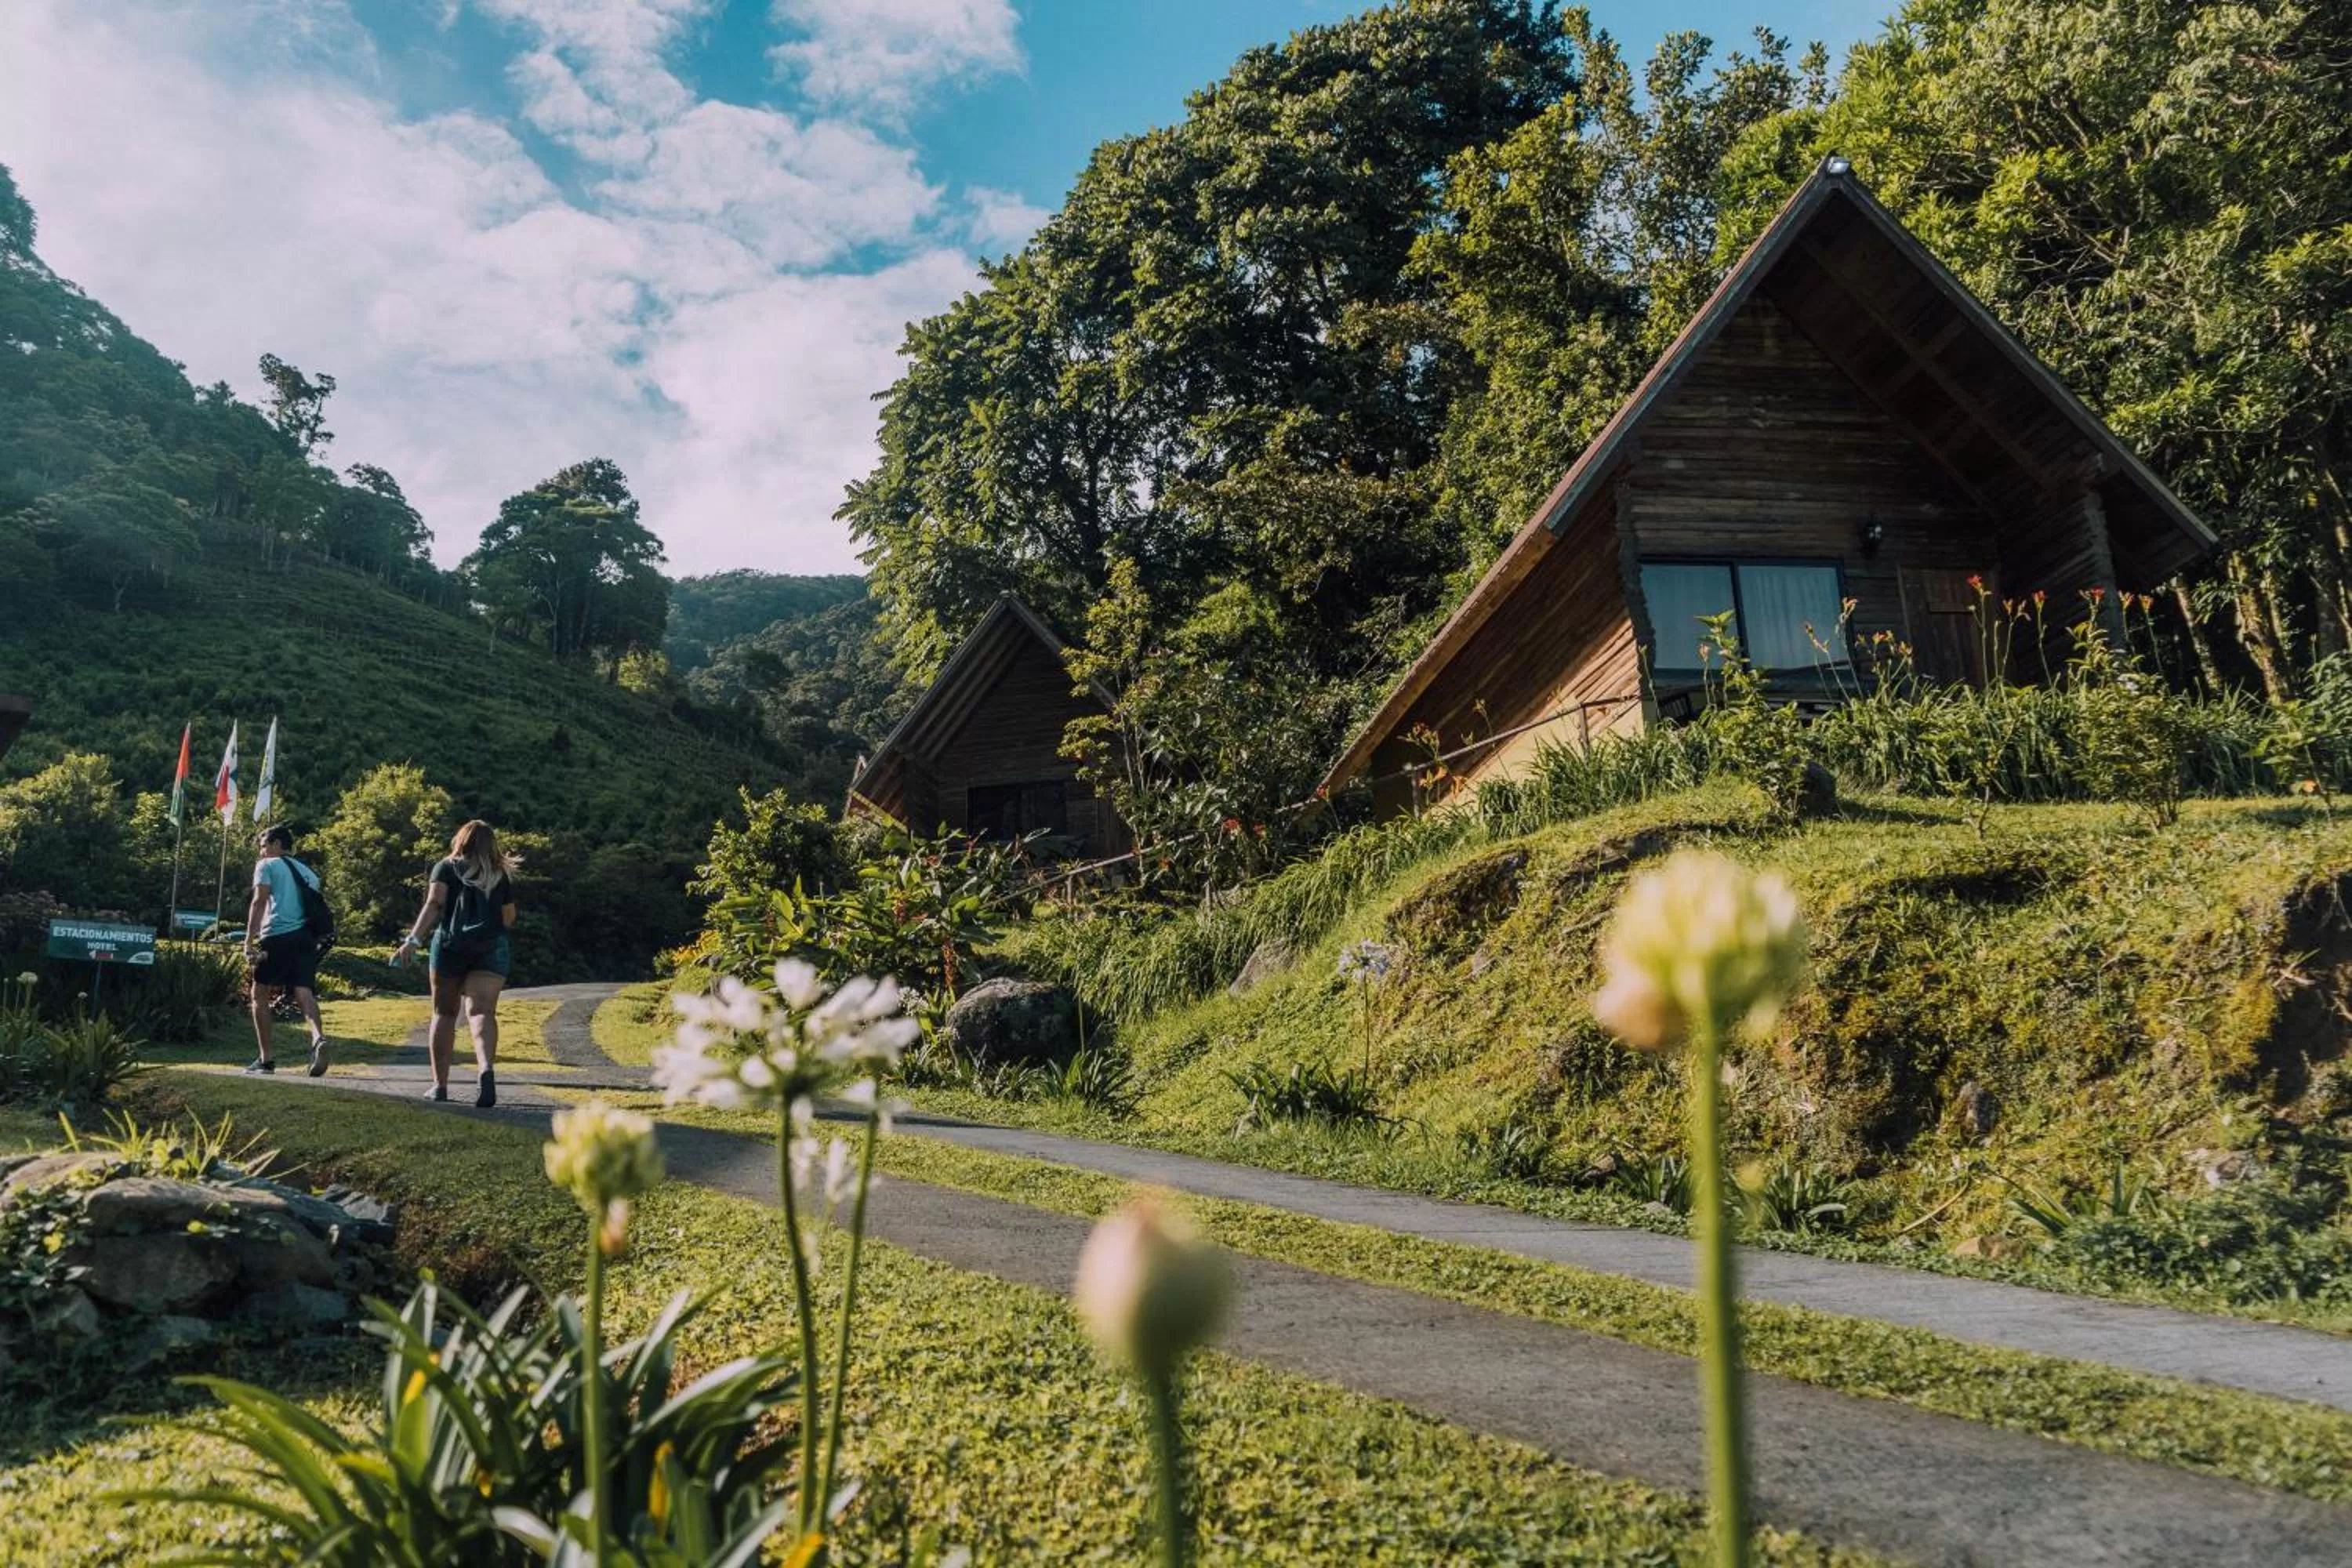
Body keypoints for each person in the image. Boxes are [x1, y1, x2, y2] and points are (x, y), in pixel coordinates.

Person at [394, 819, 518, 1107]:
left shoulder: (446, 867)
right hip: (490, 948)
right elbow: (508, 917)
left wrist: (413, 940)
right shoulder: (499, 873)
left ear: (461, 839)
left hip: (451, 946)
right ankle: (485, 1069)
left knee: (444, 1014)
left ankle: (440, 1086)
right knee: (482, 1012)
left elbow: (434, 903)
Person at [243, 824, 328, 1076]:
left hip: (278, 934)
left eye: (264, 845)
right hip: (306, 938)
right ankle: (318, 1038)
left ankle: (266, 1060)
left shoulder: (267, 865)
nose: (261, 852)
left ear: (277, 844)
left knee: (259, 993)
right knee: (304, 991)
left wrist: (248, 940)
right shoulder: (309, 873)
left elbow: (259, 901)